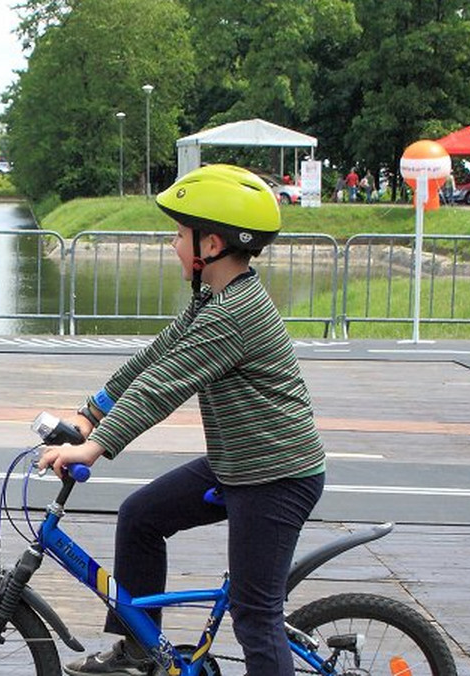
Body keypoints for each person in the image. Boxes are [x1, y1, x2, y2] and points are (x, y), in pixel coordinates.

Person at [38, 165, 326, 676]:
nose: (172, 244)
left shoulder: (234, 315)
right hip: (236, 464)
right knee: (141, 517)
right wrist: (88, 415)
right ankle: (138, 650)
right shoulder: (211, 302)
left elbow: (163, 388)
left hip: (276, 477)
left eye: (178, 234)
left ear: (210, 244)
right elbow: (152, 361)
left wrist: (94, 446)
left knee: (256, 615)